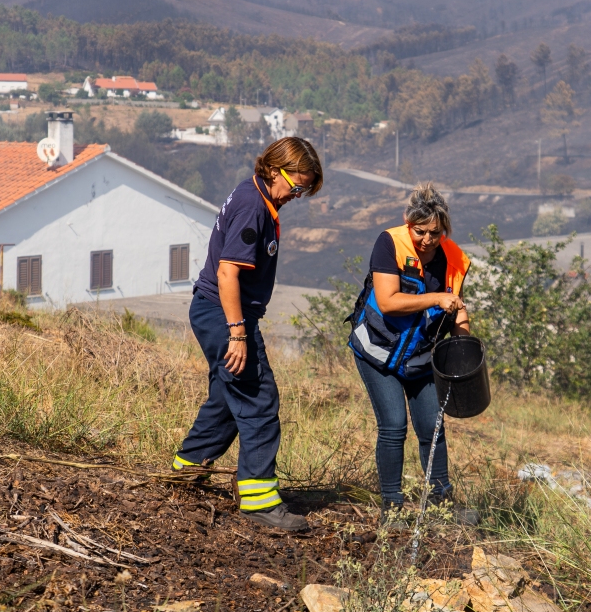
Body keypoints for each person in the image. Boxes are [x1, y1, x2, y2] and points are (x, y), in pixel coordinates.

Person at [173, 137, 323, 532]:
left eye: (304, 188)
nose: (297, 193)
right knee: (258, 400)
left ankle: (186, 471)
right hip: (223, 315)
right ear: (275, 169)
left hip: (218, 313)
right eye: (296, 184)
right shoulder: (253, 206)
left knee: (226, 397)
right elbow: (227, 272)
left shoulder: (257, 196)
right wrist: (238, 333)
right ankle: (259, 501)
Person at [347, 183, 477, 524]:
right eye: (420, 231)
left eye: (435, 233)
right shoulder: (389, 243)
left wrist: (463, 345)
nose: (426, 240)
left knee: (432, 428)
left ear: (444, 229)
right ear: (408, 222)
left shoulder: (454, 260)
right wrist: (435, 299)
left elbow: (457, 309)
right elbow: (388, 301)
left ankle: (441, 505)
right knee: (393, 426)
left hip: (420, 358)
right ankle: (391, 509)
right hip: (377, 352)